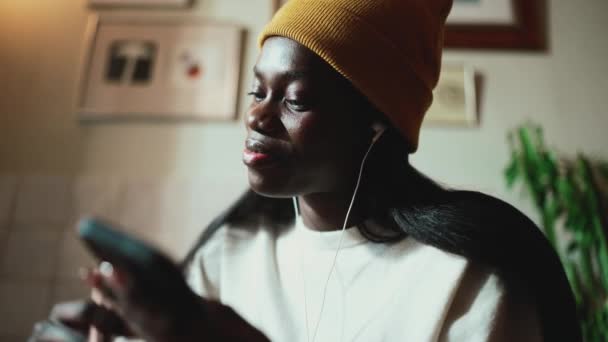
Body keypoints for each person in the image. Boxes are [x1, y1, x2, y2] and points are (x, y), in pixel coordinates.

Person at [31, 0, 580, 341]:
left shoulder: (470, 283)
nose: (256, 116)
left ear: (375, 124)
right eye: (256, 90)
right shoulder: (232, 249)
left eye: (294, 99)